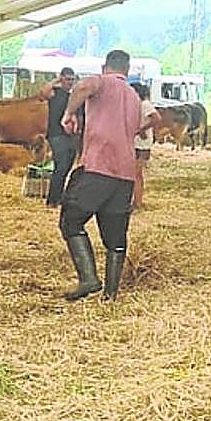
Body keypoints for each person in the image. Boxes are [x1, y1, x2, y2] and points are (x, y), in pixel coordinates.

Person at [58, 50, 142, 302]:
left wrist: (69, 113)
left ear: (106, 66)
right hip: (125, 173)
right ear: (127, 69)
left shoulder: (103, 82)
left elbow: (83, 86)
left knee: (71, 221)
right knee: (115, 238)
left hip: (99, 167)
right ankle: (111, 294)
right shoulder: (134, 96)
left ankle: (89, 278)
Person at [39, 67, 78, 207]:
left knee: (67, 167)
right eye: (67, 79)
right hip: (56, 134)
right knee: (60, 167)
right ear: (62, 78)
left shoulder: (73, 96)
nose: (70, 82)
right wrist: (56, 80)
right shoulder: (56, 93)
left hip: (70, 136)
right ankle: (52, 200)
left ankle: (59, 196)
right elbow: (43, 93)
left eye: (72, 79)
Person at [131, 83, 160, 209]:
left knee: (136, 173)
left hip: (141, 143)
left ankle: (137, 202)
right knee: (135, 173)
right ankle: (136, 200)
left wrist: (142, 129)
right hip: (137, 142)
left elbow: (157, 118)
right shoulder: (138, 105)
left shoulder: (145, 105)